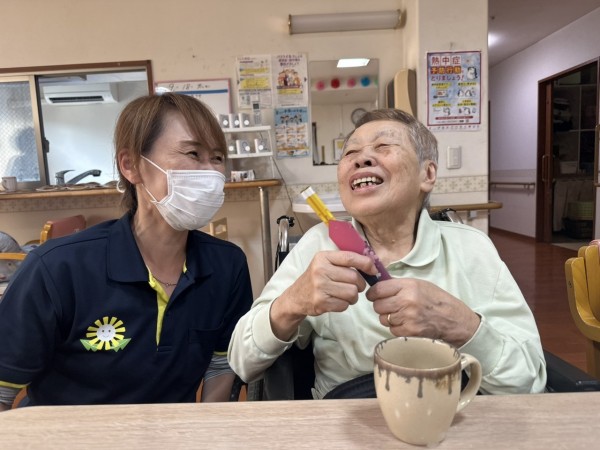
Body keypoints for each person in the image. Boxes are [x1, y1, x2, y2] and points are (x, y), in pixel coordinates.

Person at [228, 108, 546, 398]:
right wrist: (292, 303)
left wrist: (461, 325)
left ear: (427, 174)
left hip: (451, 414)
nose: (362, 159)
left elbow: (529, 383)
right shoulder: (318, 246)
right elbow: (242, 362)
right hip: (346, 419)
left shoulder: (471, 248)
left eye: (383, 146)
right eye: (351, 152)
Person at [0, 93, 253, 411]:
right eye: (193, 153)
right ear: (131, 165)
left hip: (172, 433)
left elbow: (220, 365)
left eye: (217, 158)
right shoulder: (57, 268)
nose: (210, 173)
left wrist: (206, 430)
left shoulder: (227, 265)